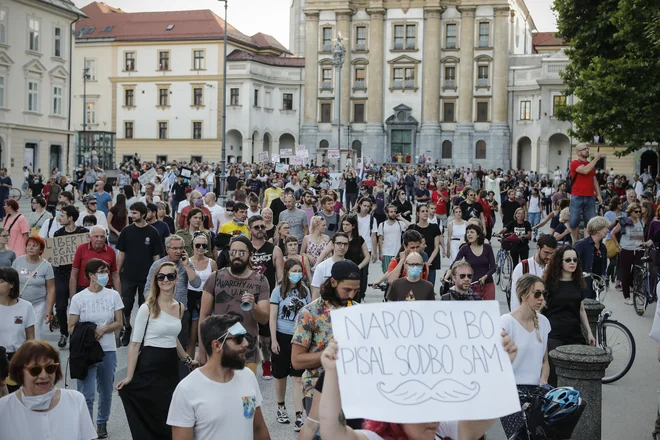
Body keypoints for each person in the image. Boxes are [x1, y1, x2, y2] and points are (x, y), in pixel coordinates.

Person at [318, 338, 514, 440]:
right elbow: (332, 432)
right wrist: (332, 372)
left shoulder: (444, 431)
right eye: (424, 411)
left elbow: (485, 412)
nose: (434, 420)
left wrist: (501, 364)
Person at [117, 262, 199, 440]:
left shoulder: (180, 307)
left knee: (168, 412)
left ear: (176, 279)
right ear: (156, 280)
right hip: (150, 364)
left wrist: (187, 360)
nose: (165, 280)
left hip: (169, 367)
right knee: (151, 411)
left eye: (170, 276)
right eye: (161, 277)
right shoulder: (147, 307)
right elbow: (135, 344)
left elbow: (173, 338)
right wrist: (130, 376)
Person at [167, 315, 270, 439]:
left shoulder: (248, 376)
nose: (246, 343)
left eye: (245, 337)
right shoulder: (186, 390)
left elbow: (258, 428)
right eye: (238, 339)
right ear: (216, 345)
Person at [292, 260, 361, 415]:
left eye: (355, 291)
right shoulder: (310, 313)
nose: (351, 295)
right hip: (317, 391)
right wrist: (332, 353)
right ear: (333, 282)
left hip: (352, 392)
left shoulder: (358, 311)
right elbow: (297, 361)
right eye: (347, 289)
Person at [67, 258, 123, 439]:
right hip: (86, 351)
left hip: (107, 350)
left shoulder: (113, 295)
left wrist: (105, 328)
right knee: (87, 393)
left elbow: (119, 322)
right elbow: (71, 327)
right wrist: (90, 331)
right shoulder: (78, 298)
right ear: (91, 275)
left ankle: (102, 422)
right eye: (101, 272)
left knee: (106, 390)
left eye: (106, 271)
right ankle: (87, 426)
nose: (105, 275)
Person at [197, 236, 270, 373]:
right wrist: (202, 350)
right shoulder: (215, 277)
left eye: (242, 253)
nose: (237, 256)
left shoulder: (260, 280)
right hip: (218, 351)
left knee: (245, 394)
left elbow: (264, 319)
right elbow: (204, 316)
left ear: (250, 254)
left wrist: (254, 306)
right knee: (219, 393)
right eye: (233, 252)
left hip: (247, 352)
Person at [0, 340, 96, 440]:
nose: (44, 375)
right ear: (19, 372)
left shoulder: (75, 400)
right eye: (35, 370)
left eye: (50, 368)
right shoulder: (3, 409)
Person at [500, 274, 551, 438]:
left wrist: (543, 381)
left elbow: (545, 361)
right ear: (523, 294)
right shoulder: (506, 322)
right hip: (511, 391)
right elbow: (498, 364)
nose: (541, 298)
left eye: (543, 294)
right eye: (537, 294)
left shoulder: (543, 322)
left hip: (537, 391)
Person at [144, 235, 202, 373]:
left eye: (181, 248)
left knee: (180, 348)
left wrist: (187, 265)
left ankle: (181, 382)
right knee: (162, 348)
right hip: (160, 312)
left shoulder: (186, 264)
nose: (178, 251)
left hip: (181, 312)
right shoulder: (158, 265)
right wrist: (154, 307)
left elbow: (197, 283)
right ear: (167, 249)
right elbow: (147, 290)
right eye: (175, 248)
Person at [543, 245, 596, 386]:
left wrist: (589, 333)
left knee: (576, 376)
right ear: (560, 262)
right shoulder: (549, 284)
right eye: (568, 260)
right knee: (554, 376)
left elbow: (581, 310)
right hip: (554, 334)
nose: (572, 263)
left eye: (575, 260)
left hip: (574, 333)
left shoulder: (578, 283)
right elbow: (539, 309)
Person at [269, 259, 311, 430]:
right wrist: (273, 340)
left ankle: (299, 415)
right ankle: (280, 407)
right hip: (281, 335)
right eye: (293, 270)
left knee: (298, 377)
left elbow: (308, 313)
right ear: (286, 272)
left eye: (299, 270)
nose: (297, 273)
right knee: (280, 376)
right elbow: (272, 317)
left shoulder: (305, 291)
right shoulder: (278, 291)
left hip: (299, 338)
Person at [117, 202, 163, 346]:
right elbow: (122, 254)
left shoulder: (152, 232)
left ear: (143, 214)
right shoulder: (126, 231)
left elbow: (157, 257)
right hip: (128, 276)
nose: (132, 215)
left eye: (135, 213)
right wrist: (117, 273)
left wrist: (158, 276)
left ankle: (143, 333)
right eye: (131, 212)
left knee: (145, 307)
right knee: (126, 305)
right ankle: (127, 327)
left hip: (146, 278)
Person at [52, 205, 88, 348]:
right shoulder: (58, 233)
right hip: (61, 274)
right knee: (60, 307)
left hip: (79, 275)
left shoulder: (83, 233)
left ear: (71, 218)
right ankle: (64, 332)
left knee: (79, 305)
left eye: (62, 215)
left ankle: (77, 332)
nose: (59, 218)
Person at [0, 267, 35, 394]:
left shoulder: (26, 307)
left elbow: (30, 337)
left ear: (11, 284)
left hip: (17, 358)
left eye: (1, 281)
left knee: (17, 398)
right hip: (0, 356)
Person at [12, 236, 54, 339]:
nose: (31, 248)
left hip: (38, 304)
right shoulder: (18, 261)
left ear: (41, 250)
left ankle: (33, 354)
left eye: (34, 246)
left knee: (35, 332)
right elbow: (11, 281)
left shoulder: (46, 266)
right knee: (18, 330)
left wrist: (49, 310)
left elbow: (51, 288)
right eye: (29, 245)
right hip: (19, 303)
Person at [610, 202, 649, 304]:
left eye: (639, 211)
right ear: (630, 212)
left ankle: (635, 288)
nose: (638, 213)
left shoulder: (641, 222)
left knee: (637, 272)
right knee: (625, 273)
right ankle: (627, 297)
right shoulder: (624, 221)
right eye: (636, 211)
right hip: (626, 250)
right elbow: (613, 233)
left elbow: (641, 236)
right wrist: (618, 246)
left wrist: (644, 246)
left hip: (639, 250)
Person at [184, 234, 217, 359]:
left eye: (204, 245)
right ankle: (190, 365)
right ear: (193, 246)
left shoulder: (212, 263)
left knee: (208, 335)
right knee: (192, 336)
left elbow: (216, 283)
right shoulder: (187, 261)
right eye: (198, 245)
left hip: (208, 298)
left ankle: (208, 364)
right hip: (191, 298)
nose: (201, 248)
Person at [509, 234, 558, 311]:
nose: (549, 257)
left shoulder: (556, 268)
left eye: (552, 253)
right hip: (527, 315)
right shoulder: (523, 267)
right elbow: (515, 298)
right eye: (546, 252)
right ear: (538, 248)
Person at [69, 225, 121, 298]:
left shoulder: (111, 251)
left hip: (105, 289)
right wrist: (72, 297)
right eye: (96, 236)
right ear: (89, 237)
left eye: (102, 237)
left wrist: (119, 297)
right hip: (84, 289)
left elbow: (115, 276)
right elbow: (74, 274)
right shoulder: (81, 249)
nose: (99, 239)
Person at [570, 143, 603, 242]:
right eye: (585, 149)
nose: (587, 150)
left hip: (590, 197)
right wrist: (596, 159)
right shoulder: (575, 163)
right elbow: (585, 171)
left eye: (587, 149)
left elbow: (594, 180)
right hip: (577, 196)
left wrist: (599, 195)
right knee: (573, 222)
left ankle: (587, 243)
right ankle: (575, 242)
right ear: (578, 152)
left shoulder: (590, 164)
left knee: (590, 223)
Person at [454, 224, 496, 300]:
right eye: (467, 232)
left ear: (478, 235)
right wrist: (446, 276)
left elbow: (493, 267)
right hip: (473, 285)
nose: (469, 234)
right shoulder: (464, 248)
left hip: (488, 284)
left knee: (489, 309)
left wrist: (485, 277)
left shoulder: (487, 247)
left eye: (472, 232)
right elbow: (455, 264)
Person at [574, 216, 609, 299]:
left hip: (596, 286)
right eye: (605, 228)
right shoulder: (581, 245)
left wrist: (603, 276)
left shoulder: (603, 247)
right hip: (583, 286)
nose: (607, 230)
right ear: (598, 229)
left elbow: (603, 265)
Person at [409, 203, 444, 286]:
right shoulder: (412, 228)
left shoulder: (434, 227)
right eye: (422, 211)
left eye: (426, 211)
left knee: (430, 286)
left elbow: (436, 247)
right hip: (415, 262)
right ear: (418, 213)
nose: (425, 213)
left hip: (431, 262)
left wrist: (428, 262)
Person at [310, 232, 350, 299]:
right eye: (339, 243)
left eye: (345, 244)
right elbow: (316, 292)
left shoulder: (351, 267)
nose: (342, 247)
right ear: (332, 245)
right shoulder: (321, 267)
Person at [376, 204, 409, 274]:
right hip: (386, 253)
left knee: (397, 274)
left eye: (394, 211)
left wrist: (401, 218)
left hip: (397, 253)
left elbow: (411, 225)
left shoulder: (400, 224)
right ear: (387, 213)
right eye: (391, 212)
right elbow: (380, 239)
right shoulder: (382, 225)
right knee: (387, 274)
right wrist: (380, 253)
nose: (393, 213)